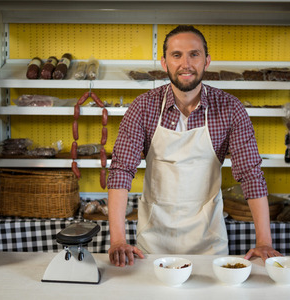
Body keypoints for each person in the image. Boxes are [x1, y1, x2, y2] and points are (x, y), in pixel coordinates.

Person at [107, 25, 281, 267]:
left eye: (194, 54)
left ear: (207, 61)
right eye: (176, 55)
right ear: (164, 63)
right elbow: (121, 171)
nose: (185, 64)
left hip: (209, 244)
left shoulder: (230, 109)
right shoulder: (143, 108)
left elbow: (251, 174)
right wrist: (117, 240)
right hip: (153, 244)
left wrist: (264, 240)